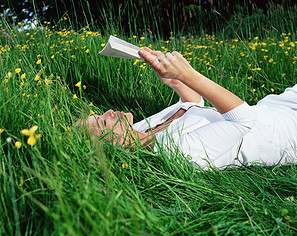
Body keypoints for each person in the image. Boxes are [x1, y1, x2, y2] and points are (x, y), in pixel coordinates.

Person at [80, 47, 297, 169]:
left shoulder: (142, 130)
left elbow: (191, 104)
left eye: (99, 114)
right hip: (287, 132)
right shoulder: (178, 155)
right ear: (113, 146)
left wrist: (170, 77)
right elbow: (243, 120)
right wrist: (186, 74)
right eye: (104, 122)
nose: (108, 112)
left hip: (275, 106)